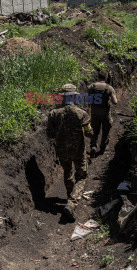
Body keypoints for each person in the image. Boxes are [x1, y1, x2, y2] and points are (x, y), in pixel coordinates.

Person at [47, 83, 93, 222]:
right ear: (74, 96)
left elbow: (49, 134)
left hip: (62, 149)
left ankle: (70, 198)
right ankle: (72, 203)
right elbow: (89, 133)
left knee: (67, 171)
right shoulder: (82, 113)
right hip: (78, 150)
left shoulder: (53, 113)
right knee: (82, 176)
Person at [87, 70, 118, 157]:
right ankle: (103, 148)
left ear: (98, 77)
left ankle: (93, 146)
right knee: (105, 131)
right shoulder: (109, 88)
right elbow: (115, 102)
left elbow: (88, 100)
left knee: (94, 131)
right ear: (106, 77)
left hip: (94, 113)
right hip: (105, 114)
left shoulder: (91, 87)